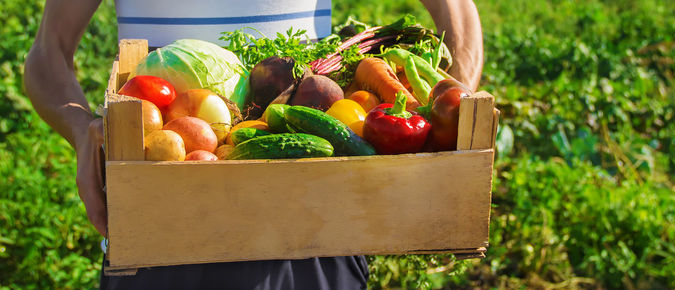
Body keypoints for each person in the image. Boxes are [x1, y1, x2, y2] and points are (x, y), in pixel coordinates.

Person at [24, 0, 483, 288]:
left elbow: (457, 9)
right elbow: (48, 51)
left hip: (314, 219)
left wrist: (452, 99)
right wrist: (82, 128)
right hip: (162, 218)